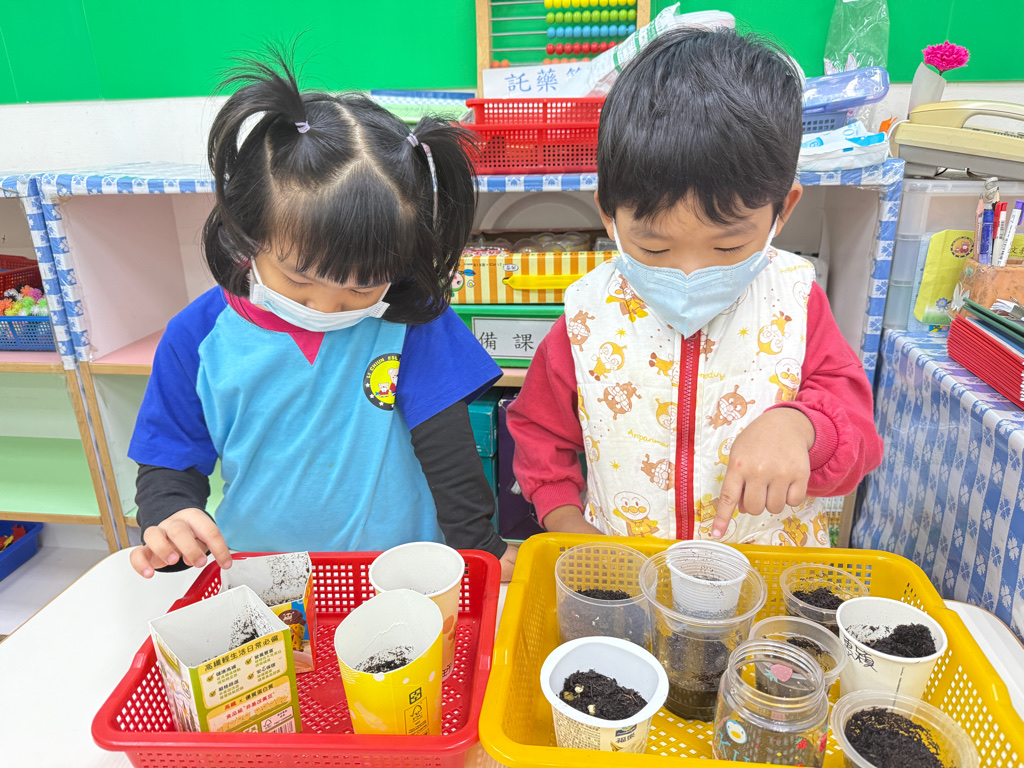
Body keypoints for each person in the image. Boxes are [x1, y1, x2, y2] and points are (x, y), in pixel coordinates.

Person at [128, 52, 516, 579]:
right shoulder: (195, 337)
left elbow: (447, 447)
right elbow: (170, 458)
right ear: (247, 232)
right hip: (260, 572)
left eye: (361, 287)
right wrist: (171, 518)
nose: (327, 307)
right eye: (298, 279)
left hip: (400, 569)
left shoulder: (411, 318)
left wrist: (480, 547)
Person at [507, 28, 884, 546]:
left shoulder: (793, 300)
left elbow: (859, 437)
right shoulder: (588, 314)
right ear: (608, 214)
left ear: (783, 210)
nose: (689, 273)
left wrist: (802, 429)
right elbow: (539, 430)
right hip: (629, 567)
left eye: (727, 248)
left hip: (764, 569)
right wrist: (567, 524)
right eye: (654, 248)